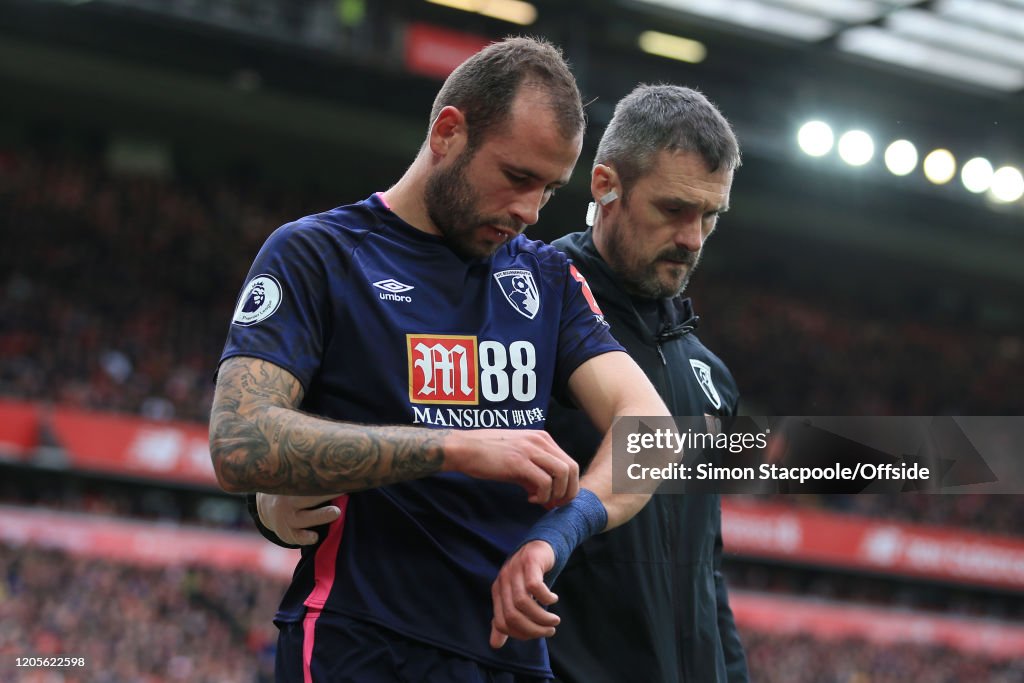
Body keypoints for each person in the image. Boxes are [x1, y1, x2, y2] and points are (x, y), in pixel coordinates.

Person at [209, 38, 671, 682]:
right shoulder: (319, 253)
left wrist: (556, 536)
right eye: (516, 177)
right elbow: (238, 439)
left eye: (548, 189)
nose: (529, 211)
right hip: (361, 644)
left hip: (512, 657)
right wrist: (456, 447)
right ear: (449, 132)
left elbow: (653, 433)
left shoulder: (549, 278)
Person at [544, 84, 749, 683]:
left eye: (710, 216)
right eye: (674, 210)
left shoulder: (713, 379)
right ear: (605, 185)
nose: (693, 238)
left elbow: (705, 564)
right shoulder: (524, 315)